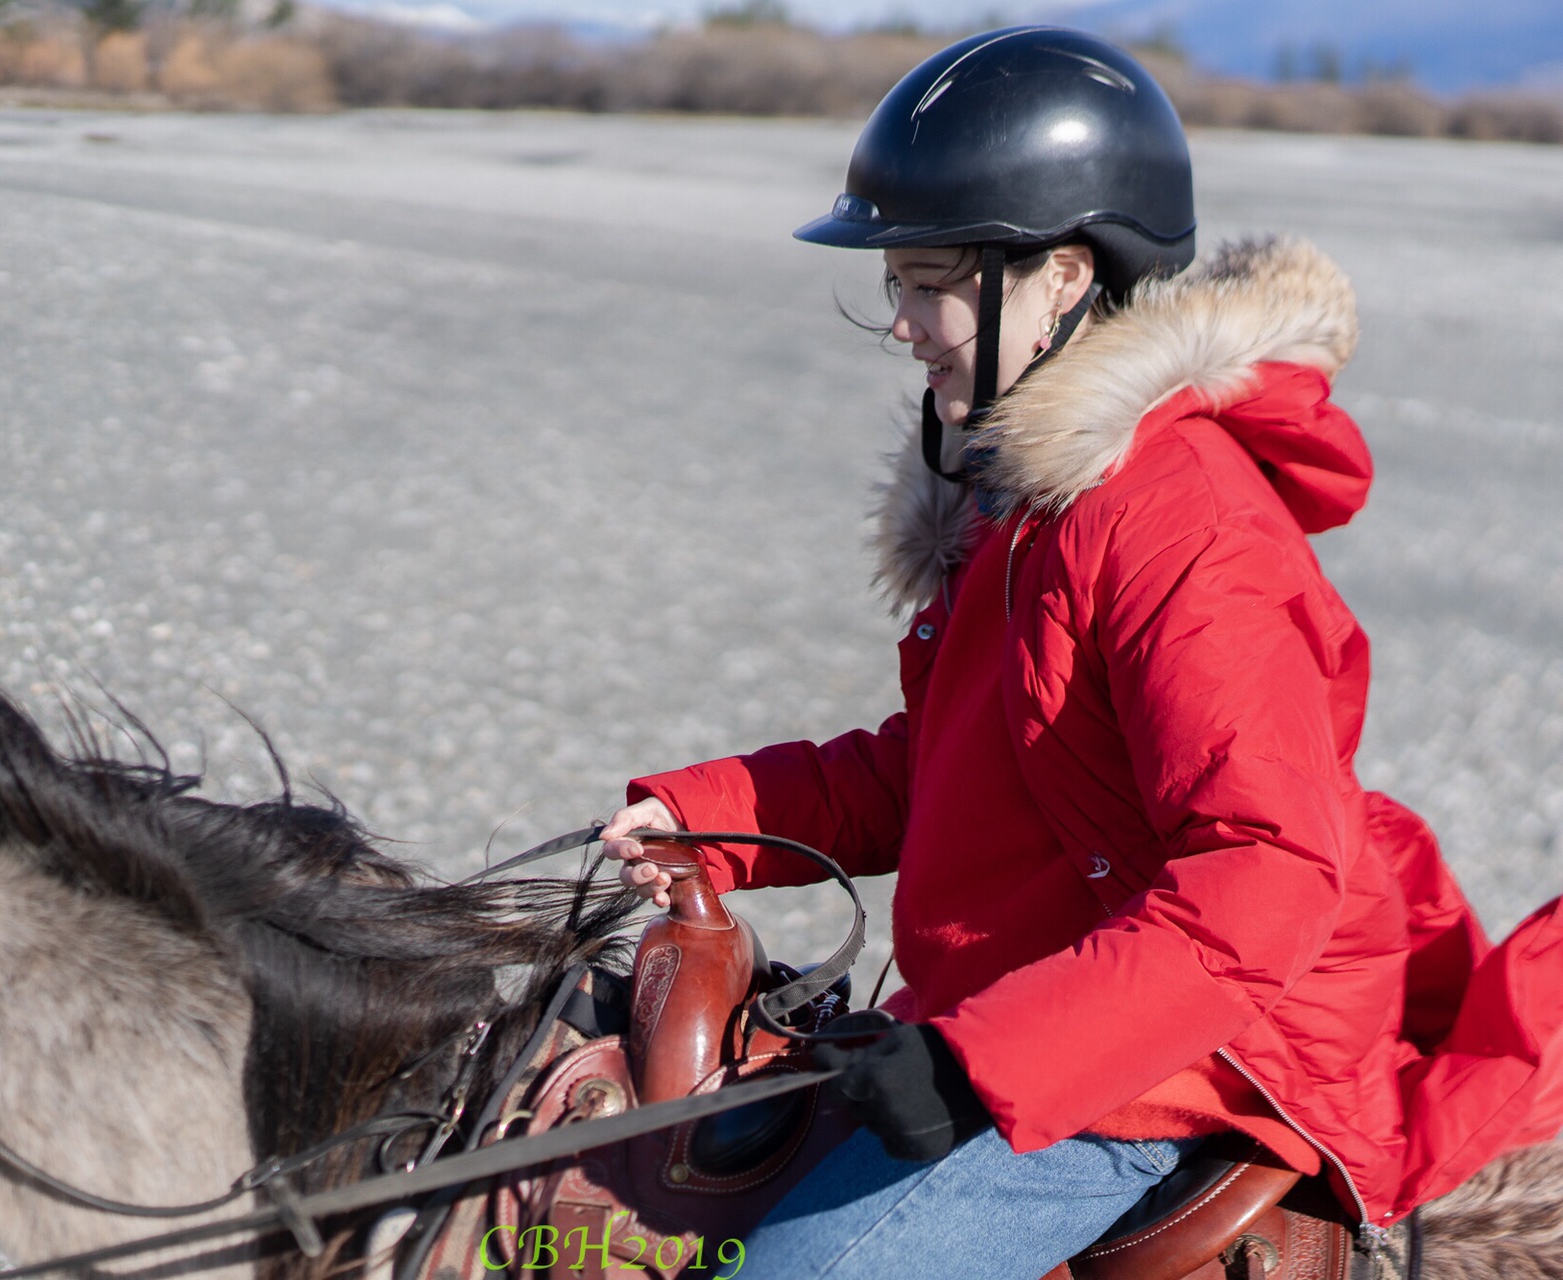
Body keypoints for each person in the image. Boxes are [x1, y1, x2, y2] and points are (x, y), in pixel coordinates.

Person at [599, 25, 1563, 1280]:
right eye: (896, 282)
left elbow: (1264, 876)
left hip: (1194, 1056)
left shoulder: (1185, 529)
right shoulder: (1035, 500)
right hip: (1058, 995)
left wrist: (975, 1062)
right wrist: (706, 812)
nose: (905, 324)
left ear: (1060, 276)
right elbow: (942, 768)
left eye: (930, 280)